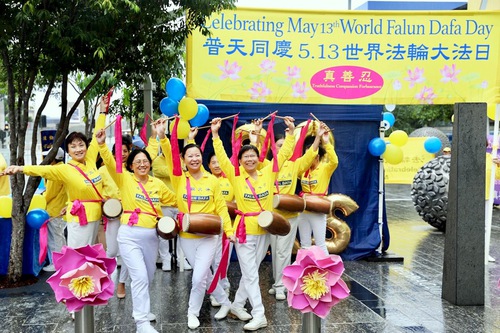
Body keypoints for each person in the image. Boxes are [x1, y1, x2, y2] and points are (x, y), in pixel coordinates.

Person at [211, 116, 296, 331]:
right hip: (244, 231)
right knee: (250, 273)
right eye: (245, 157)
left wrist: (291, 133)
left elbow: (284, 154)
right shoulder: (236, 175)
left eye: (253, 156)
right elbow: (221, 157)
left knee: (252, 271)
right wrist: (214, 135)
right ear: (239, 161)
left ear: (259, 158)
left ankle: (238, 305)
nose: (249, 159)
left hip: (264, 230)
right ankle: (260, 314)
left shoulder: (269, 172)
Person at [96, 122, 176, 333]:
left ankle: (143, 307)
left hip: (151, 236)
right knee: (139, 276)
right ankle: (142, 323)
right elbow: (110, 163)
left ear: (149, 165)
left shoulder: (157, 184)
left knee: (148, 276)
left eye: (145, 161)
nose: (142, 164)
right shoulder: (124, 180)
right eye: (137, 162)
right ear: (130, 166)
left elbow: (177, 200)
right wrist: (103, 145)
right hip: (129, 235)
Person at [2, 100, 109, 248]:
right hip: (80, 218)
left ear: (86, 146)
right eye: (73, 146)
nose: (78, 149)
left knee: (90, 255)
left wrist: (103, 112)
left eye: (81, 145)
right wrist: (20, 168)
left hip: (96, 215)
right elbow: (42, 170)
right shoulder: (65, 169)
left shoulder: (90, 159)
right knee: (78, 255)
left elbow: (98, 136)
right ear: (68, 151)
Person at [161, 125, 233, 329]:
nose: (194, 159)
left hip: (209, 235)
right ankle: (226, 303)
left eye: (197, 155)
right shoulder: (179, 179)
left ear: (201, 157)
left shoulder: (212, 180)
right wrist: (163, 138)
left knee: (199, 275)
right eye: (189, 156)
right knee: (205, 274)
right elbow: (169, 155)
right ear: (184, 160)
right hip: (187, 236)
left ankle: (192, 312)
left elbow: (221, 207)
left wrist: (228, 230)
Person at [252, 123, 324, 301]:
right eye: (279, 146)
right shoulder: (267, 166)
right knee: (276, 251)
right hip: (270, 217)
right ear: (273, 148)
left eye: (285, 146)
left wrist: (318, 138)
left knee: (283, 252)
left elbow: (309, 156)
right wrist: (255, 139)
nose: (282, 149)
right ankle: (278, 282)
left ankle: (280, 286)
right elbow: (255, 158)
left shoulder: (294, 165)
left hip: (289, 217)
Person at [296, 122, 338, 255]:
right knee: (304, 245)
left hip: (318, 209)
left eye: (312, 155)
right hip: (303, 209)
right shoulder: (302, 170)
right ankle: (305, 271)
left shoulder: (325, 168)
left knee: (320, 244)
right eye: (307, 154)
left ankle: (325, 272)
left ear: (318, 156)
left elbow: (335, 161)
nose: (309, 158)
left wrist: (326, 142)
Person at [99, 135, 132, 298]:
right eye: (119, 151)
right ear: (112, 153)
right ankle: (108, 282)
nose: (122, 154)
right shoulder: (103, 170)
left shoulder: (132, 170)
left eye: (125, 151)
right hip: (111, 216)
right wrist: (106, 201)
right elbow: (96, 190)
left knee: (126, 252)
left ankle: (122, 284)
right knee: (111, 250)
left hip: (130, 217)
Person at [151, 149, 192, 272]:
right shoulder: (157, 161)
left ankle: (181, 259)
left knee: (182, 232)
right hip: (165, 205)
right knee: (163, 233)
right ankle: (166, 259)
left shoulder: (180, 160)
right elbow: (171, 173)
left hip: (180, 203)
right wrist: (181, 167)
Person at [206, 150, 234, 307]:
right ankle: (218, 287)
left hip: (227, 226)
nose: (217, 165)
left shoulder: (231, 180)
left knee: (223, 260)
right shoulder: (206, 180)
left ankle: (223, 286)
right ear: (208, 165)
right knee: (211, 260)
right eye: (213, 162)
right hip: (210, 226)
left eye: (219, 162)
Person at [41, 147, 67, 272]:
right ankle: (62, 262)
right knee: (60, 237)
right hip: (62, 208)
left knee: (54, 238)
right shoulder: (63, 168)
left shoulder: (54, 171)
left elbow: (50, 193)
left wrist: (40, 200)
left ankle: (56, 264)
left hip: (54, 210)